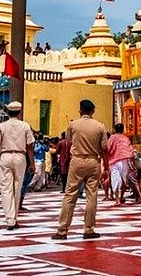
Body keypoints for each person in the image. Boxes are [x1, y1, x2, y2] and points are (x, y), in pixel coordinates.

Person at [53, 99, 108, 240]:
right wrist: (106, 167)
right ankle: (89, 229)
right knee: (92, 195)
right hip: (93, 160)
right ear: (93, 112)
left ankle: (62, 230)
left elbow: (70, 139)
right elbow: (104, 149)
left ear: (80, 111)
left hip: (77, 160)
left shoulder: (73, 125)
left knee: (70, 194)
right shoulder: (100, 126)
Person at [0, 100, 33, 229]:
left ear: (8, 112)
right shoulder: (25, 126)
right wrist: (32, 163)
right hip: (20, 156)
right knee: (17, 188)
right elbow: (30, 146)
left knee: (6, 189)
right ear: (19, 113)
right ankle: (14, 218)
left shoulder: (1, 126)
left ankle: (10, 219)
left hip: (5, 156)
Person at [106, 124, 135, 205]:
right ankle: (121, 197)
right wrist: (132, 162)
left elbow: (108, 148)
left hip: (114, 160)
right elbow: (131, 150)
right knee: (123, 179)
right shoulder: (126, 138)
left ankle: (118, 200)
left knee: (115, 179)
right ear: (123, 130)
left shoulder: (112, 137)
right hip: (125, 160)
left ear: (115, 130)